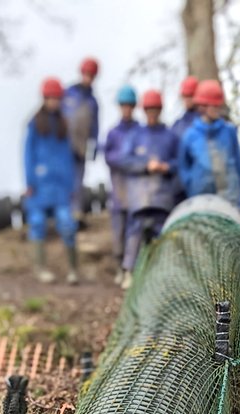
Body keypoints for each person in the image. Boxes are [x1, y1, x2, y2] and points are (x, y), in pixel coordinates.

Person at [118, 89, 180, 290]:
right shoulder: (136, 135)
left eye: (155, 109)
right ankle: (129, 272)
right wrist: (146, 165)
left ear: (160, 110)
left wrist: (166, 167)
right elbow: (125, 160)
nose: (152, 113)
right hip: (140, 197)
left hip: (162, 197)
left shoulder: (170, 136)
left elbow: (179, 163)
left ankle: (162, 276)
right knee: (134, 232)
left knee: (162, 235)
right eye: (149, 110)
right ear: (144, 111)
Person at [24, 78, 79, 285]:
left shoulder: (64, 125)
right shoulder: (35, 124)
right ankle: (40, 269)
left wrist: (71, 184)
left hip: (60, 188)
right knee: (37, 224)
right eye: (52, 98)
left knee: (67, 223)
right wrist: (30, 181)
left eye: (58, 98)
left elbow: (68, 157)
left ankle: (73, 270)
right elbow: (28, 154)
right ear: (45, 98)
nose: (55, 102)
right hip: (39, 187)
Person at [177, 79, 240, 207]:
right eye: (214, 106)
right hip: (201, 201)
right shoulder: (190, 136)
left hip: (230, 200)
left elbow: (238, 164)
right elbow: (184, 169)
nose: (217, 109)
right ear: (202, 106)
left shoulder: (229, 131)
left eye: (219, 105)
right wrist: (193, 187)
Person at [104, 85, 139, 285]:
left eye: (129, 106)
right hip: (118, 188)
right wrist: (126, 160)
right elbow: (109, 157)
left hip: (136, 188)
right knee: (118, 231)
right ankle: (119, 268)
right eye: (124, 106)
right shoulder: (113, 133)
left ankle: (131, 269)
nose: (127, 109)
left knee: (133, 231)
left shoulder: (139, 131)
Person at [62, 57, 100, 222]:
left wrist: (94, 147)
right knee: (64, 179)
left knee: (78, 181)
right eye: (86, 74)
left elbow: (95, 127)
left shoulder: (92, 102)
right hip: (64, 146)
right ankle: (62, 213)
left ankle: (76, 214)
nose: (87, 78)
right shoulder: (68, 93)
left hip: (81, 147)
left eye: (91, 75)